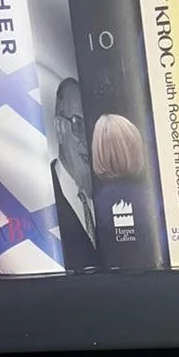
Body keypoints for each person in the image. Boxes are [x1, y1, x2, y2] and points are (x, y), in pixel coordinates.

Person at [51, 77, 97, 269]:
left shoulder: (111, 192)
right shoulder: (40, 201)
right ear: (60, 129)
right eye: (79, 125)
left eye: (93, 128)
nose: (88, 141)